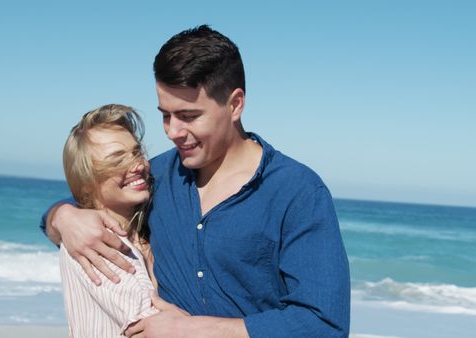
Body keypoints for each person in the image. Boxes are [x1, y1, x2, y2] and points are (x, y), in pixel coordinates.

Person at [42, 25, 350, 337]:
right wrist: (62, 218)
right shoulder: (156, 175)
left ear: (234, 105)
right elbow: (92, 198)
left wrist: (193, 330)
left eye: (188, 116)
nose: (172, 131)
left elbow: (324, 323)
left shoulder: (297, 191)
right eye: (166, 115)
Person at [57, 104, 159, 337]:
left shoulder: (145, 228)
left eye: (136, 152)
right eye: (116, 160)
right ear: (86, 182)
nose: (138, 165)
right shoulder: (93, 240)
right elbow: (153, 326)